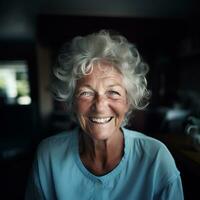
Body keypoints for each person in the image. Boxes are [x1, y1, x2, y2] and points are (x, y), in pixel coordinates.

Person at [25, 30, 184, 200]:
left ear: (128, 101)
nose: (100, 106)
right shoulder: (48, 155)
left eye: (113, 92)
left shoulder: (156, 158)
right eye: (86, 93)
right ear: (72, 102)